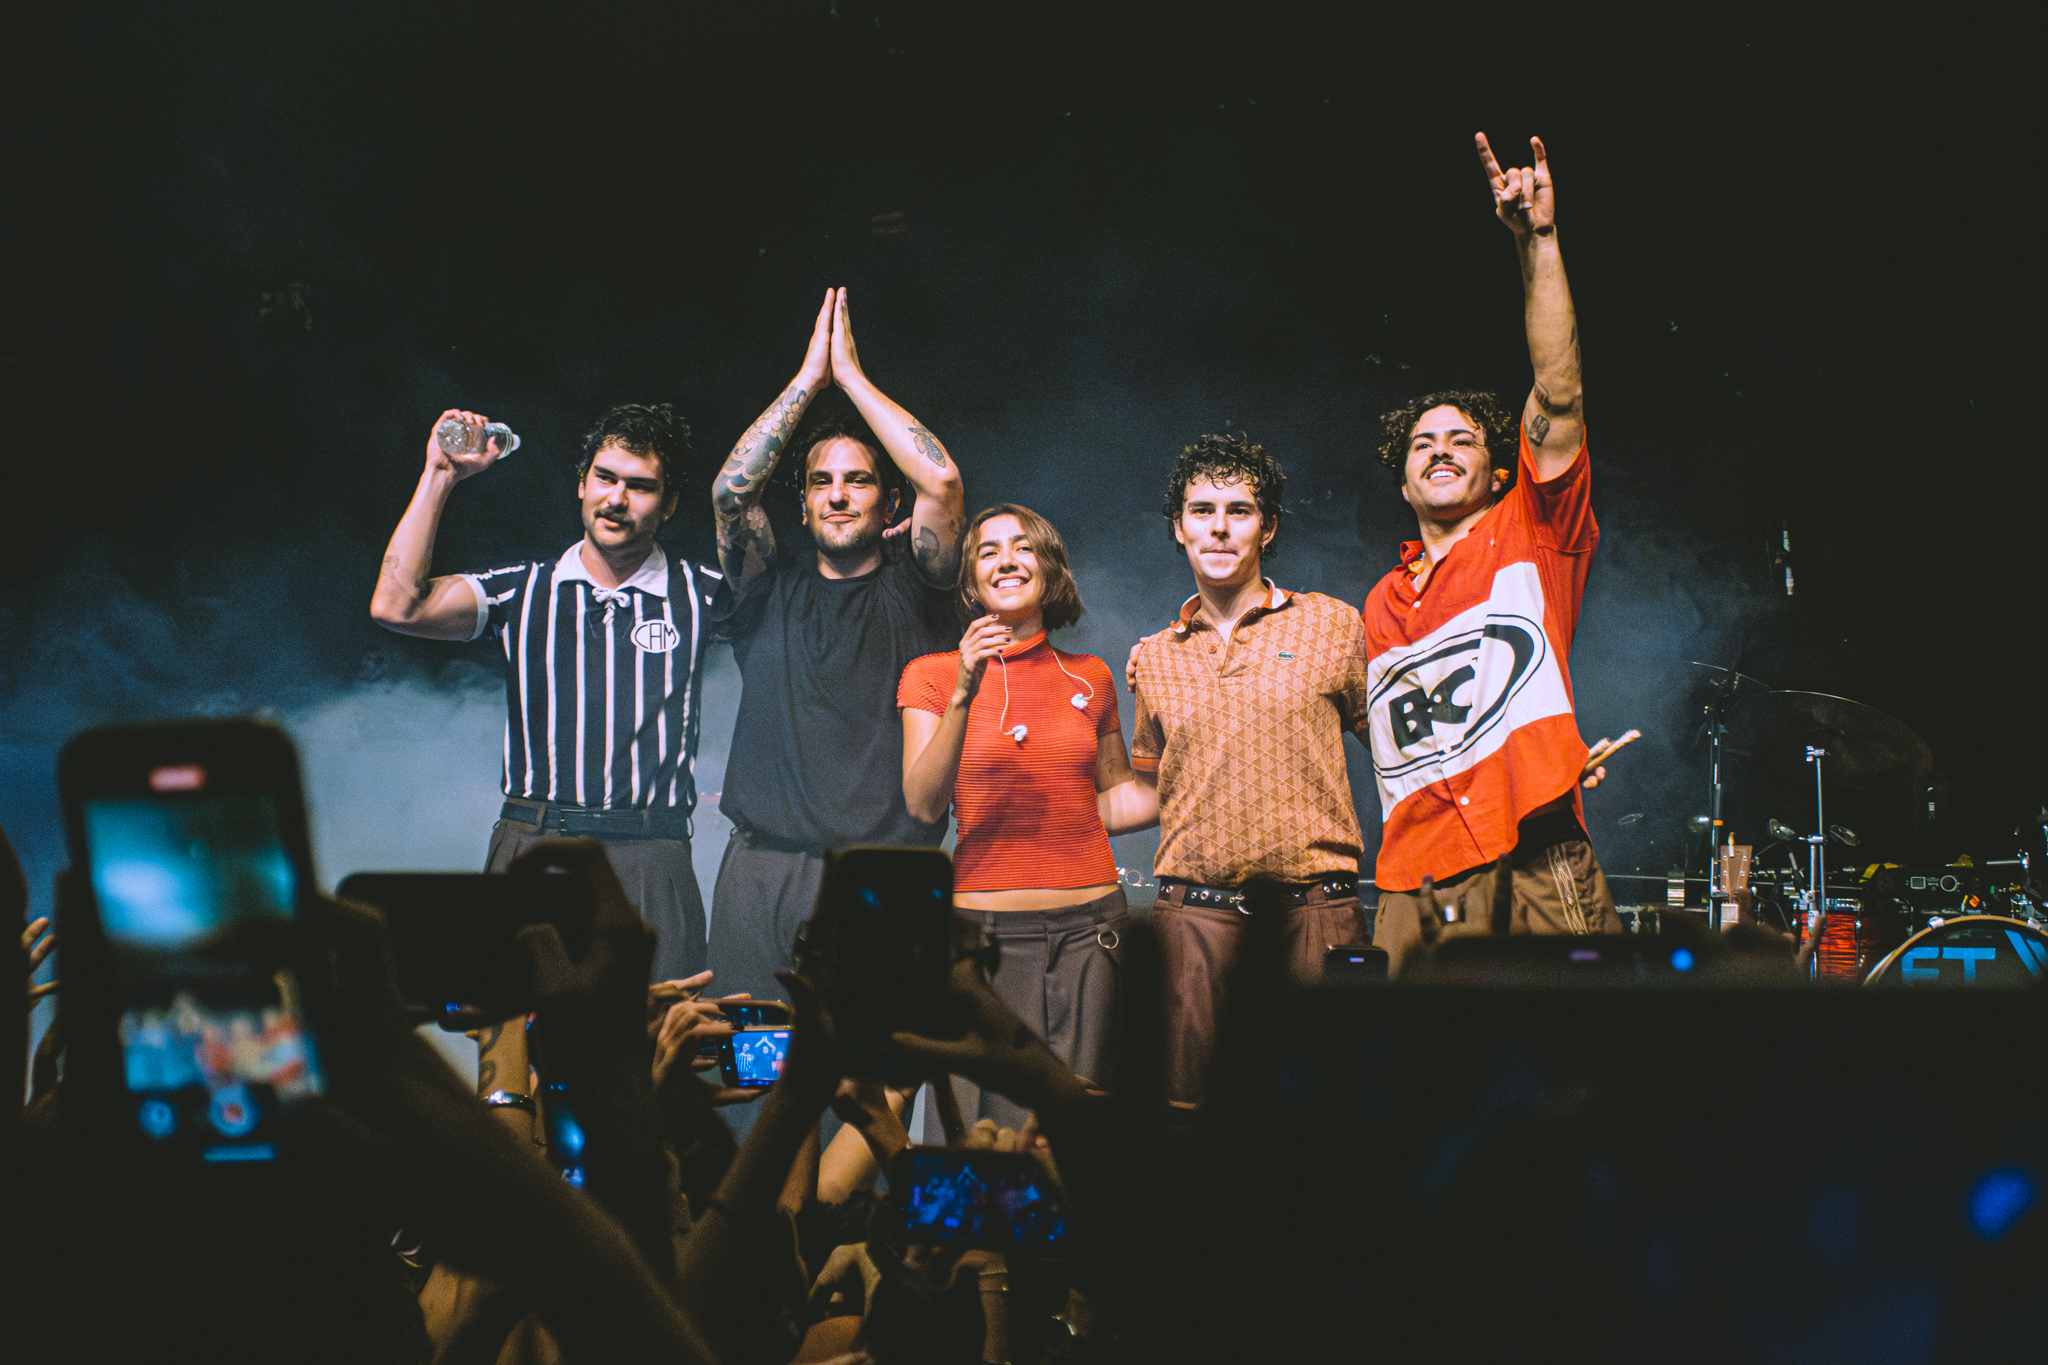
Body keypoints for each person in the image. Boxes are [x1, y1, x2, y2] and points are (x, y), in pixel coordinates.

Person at [1361, 133, 1622, 975]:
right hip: (1412, 877)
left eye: (1462, 439)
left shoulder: (1531, 531)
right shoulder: (1379, 605)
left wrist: (1537, 242)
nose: (1440, 448)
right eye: (1422, 443)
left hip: (1531, 850)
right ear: (1403, 479)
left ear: (1501, 468)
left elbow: (1559, 391)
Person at [371, 403, 720, 981]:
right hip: (533, 846)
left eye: (640, 486)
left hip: (651, 856)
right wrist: (440, 474)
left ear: (670, 503)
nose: (616, 498)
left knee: (660, 1031)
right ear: (581, 484)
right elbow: (395, 605)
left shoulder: (702, 593)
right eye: (605, 478)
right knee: (515, 1031)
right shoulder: (524, 590)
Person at [707, 288, 966, 1003]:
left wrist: (849, 378)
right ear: (802, 505)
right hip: (761, 875)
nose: (839, 495)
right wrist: (805, 382)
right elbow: (730, 495)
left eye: (859, 481)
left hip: (883, 879)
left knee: (875, 1066)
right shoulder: (766, 591)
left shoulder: (920, 590)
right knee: (753, 1068)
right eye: (821, 482)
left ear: (889, 503)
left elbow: (942, 479)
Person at [1127, 433, 1375, 1107]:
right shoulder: (1155, 657)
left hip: (1314, 916)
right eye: (1201, 510)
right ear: (1178, 527)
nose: (1219, 527)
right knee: (1186, 1129)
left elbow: (1400, 752)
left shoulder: (1334, 625)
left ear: (1267, 528)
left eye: (1238, 510)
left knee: (1324, 1124)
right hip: (1191, 922)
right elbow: (1151, 791)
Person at [898, 504, 1154, 1127]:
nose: (1007, 560)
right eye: (988, 551)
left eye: (1023, 547)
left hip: (1090, 932)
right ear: (971, 578)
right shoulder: (931, 676)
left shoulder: (1090, 675)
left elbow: (1117, 797)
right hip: (979, 937)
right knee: (977, 1136)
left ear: (1049, 568)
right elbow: (923, 803)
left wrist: (1204, 762)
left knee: (1083, 1134)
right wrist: (965, 689)